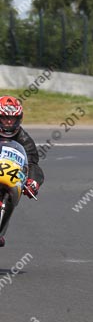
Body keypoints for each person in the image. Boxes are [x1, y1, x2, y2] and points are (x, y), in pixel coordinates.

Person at [0, 96, 44, 247]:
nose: (9, 122)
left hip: (8, 175)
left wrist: (33, 181)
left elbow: (33, 163)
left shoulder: (24, 139)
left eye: (13, 118)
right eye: (5, 118)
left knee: (13, 194)